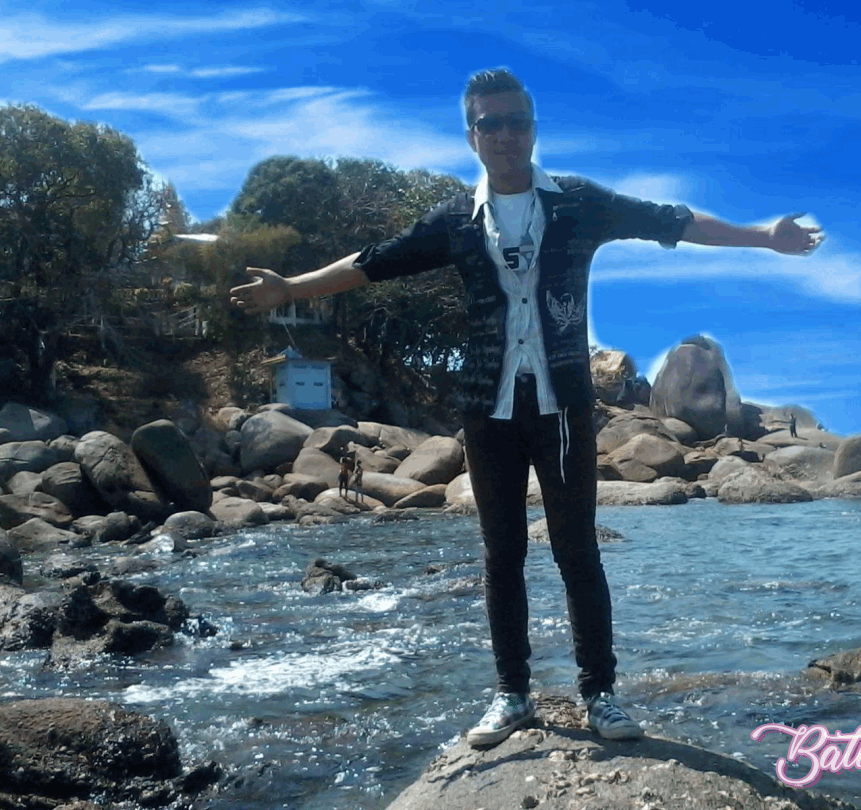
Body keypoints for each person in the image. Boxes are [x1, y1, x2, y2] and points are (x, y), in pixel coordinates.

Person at [230, 68, 824, 747]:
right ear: (472, 136)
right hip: (488, 408)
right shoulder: (455, 221)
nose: (505, 134)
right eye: (491, 123)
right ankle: (511, 695)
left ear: (534, 129)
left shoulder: (578, 203)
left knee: (577, 552)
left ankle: (600, 695)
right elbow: (373, 262)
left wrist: (762, 235)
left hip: (562, 406)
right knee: (502, 553)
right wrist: (291, 289)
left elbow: (673, 221)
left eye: (517, 121)